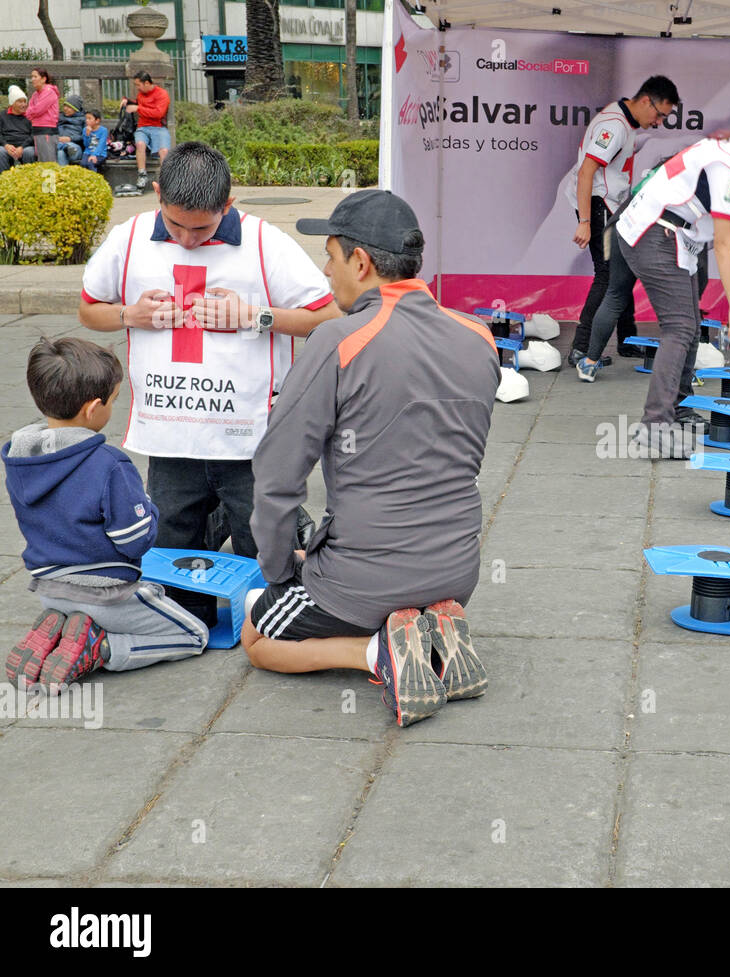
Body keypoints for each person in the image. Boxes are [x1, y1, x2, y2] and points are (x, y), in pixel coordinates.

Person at [240, 190, 500, 729]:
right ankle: (431, 625)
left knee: (257, 636)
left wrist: (280, 570)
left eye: (330, 256)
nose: (327, 271)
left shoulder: (338, 339)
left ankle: (378, 653)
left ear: (361, 262)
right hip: (457, 571)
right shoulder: (479, 337)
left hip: (365, 582)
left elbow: (277, 476)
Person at [78, 141, 340, 626]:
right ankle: (187, 621)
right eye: (176, 224)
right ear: (157, 194)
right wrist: (128, 314)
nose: (188, 239)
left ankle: (266, 622)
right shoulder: (130, 237)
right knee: (172, 541)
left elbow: (327, 317)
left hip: (251, 435)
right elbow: (88, 309)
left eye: (203, 227)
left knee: (262, 540)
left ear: (229, 204)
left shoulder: (265, 243)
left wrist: (251, 315)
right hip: (171, 432)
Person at [2, 338, 209, 692]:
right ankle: (102, 647)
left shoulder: (20, 457)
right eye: (113, 401)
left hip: (48, 588)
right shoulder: (109, 464)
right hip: (107, 594)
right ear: (94, 407)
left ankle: (60, 629)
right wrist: (147, 505)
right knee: (194, 634)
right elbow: (135, 541)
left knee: (80, 608)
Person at [594, 107, 730, 457]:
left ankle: (679, 408)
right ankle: (654, 426)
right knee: (678, 327)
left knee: (689, 326)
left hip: (673, 233)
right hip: (654, 234)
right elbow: (723, 243)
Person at [563, 75, 681, 367]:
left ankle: (627, 340)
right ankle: (582, 348)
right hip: (598, 202)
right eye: (659, 115)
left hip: (612, 205)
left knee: (623, 269)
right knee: (607, 276)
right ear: (645, 100)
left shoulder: (623, 120)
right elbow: (586, 171)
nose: (658, 122)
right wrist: (585, 221)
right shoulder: (614, 126)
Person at [120, 71, 170, 188]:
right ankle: (142, 174)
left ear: (147, 83)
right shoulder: (141, 94)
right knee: (140, 144)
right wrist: (126, 100)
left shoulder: (162, 94)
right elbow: (137, 103)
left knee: (164, 151)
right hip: (143, 127)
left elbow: (158, 113)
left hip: (159, 127)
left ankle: (165, 180)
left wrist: (138, 108)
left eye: (138, 85)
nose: (137, 88)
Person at [25, 69, 59, 163]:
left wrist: (31, 111)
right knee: (41, 160)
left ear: (43, 79)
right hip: (37, 129)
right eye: (31, 77)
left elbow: (37, 110)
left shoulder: (49, 92)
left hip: (47, 130)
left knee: (48, 161)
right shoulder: (35, 94)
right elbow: (28, 111)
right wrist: (31, 111)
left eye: (35, 77)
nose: (32, 79)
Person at [1, 86, 35, 172]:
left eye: (25, 101)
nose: (23, 105)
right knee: (0, 152)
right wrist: (6, 145)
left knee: (30, 152)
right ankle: (4, 179)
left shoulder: (30, 116)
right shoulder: (2, 115)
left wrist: (22, 147)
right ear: (12, 103)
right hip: (7, 146)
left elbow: (33, 134)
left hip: (25, 146)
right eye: (20, 101)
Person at [56, 94, 85, 166]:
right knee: (60, 153)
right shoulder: (58, 117)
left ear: (76, 109)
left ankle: (66, 146)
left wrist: (70, 138)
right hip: (59, 143)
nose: (65, 108)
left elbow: (84, 136)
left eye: (69, 107)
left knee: (71, 147)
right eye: (65, 106)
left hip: (75, 147)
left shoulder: (84, 119)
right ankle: (63, 175)